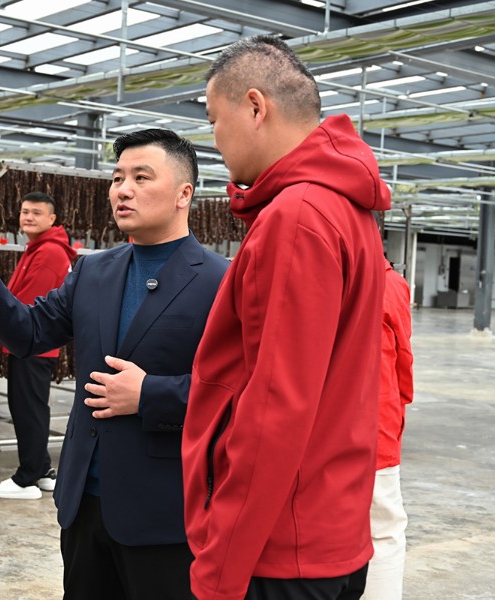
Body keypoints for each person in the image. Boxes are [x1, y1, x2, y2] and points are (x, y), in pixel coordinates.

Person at [0, 129, 228, 599]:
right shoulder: (94, 270)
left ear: (183, 194)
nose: (123, 190)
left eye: (141, 177)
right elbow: (30, 333)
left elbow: (241, 391)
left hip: (165, 511)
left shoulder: (220, 281)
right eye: (117, 178)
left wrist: (149, 394)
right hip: (84, 503)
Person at [182, 35, 391, 599]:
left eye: (214, 119)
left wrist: (220, 570)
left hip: (279, 549)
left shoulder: (297, 216)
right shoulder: (346, 208)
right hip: (328, 527)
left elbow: (276, 407)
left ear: (255, 106)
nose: (214, 139)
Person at [0, 191, 78, 500]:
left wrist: (4, 328)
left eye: (36, 213)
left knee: (28, 409)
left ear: (52, 219)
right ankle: (41, 469)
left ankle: (26, 478)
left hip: (32, 342)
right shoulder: (39, 248)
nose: (28, 217)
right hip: (31, 342)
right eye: (25, 211)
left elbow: (29, 302)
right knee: (32, 408)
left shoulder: (49, 252)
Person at [363, 260, 414, 600]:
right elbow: (403, 363)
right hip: (376, 426)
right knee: (383, 530)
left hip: (309, 430)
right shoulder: (391, 284)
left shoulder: (305, 275)